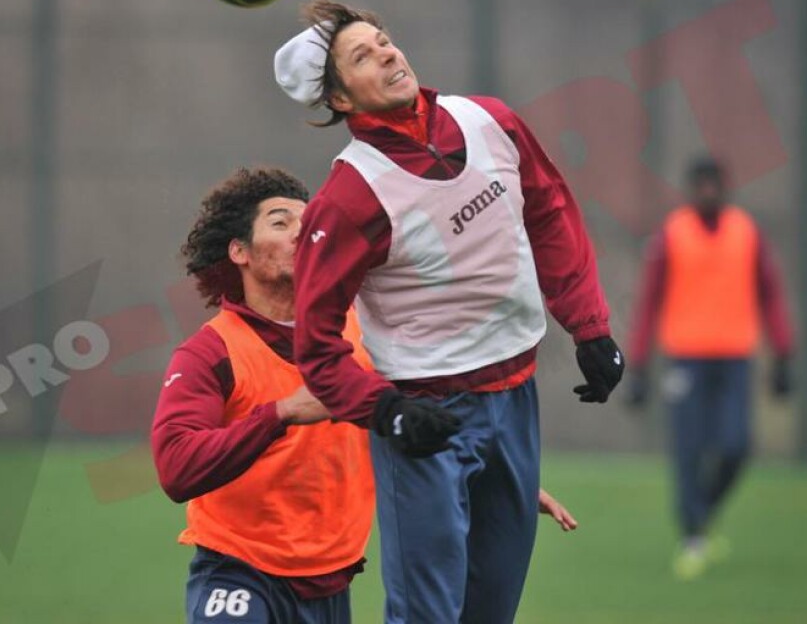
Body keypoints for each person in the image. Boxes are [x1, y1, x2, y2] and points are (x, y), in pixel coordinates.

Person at [273, 0, 622, 624]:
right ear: (342, 101)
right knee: (427, 616)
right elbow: (317, 344)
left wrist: (590, 328)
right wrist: (387, 412)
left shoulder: (491, 120)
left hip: (516, 403)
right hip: (425, 418)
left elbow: (550, 213)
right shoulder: (350, 196)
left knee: (491, 612)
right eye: (361, 55)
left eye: (382, 40)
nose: (385, 52)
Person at [151, 167, 580, 624]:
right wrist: (280, 414)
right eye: (280, 222)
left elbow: (412, 423)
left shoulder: (363, 331)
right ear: (239, 251)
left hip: (332, 584)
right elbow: (176, 467)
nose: (302, 233)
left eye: (307, 221)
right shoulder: (212, 350)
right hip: (238, 576)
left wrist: (484, 472)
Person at [626, 156, 794, 580]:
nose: (708, 193)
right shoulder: (672, 234)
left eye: (714, 185)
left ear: (725, 188)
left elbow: (770, 293)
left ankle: (703, 511)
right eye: (700, 185)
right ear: (690, 190)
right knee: (689, 449)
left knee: (737, 446)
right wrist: (639, 365)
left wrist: (783, 353)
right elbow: (649, 301)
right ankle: (693, 537)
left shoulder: (747, 232)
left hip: (736, 358)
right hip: (686, 358)